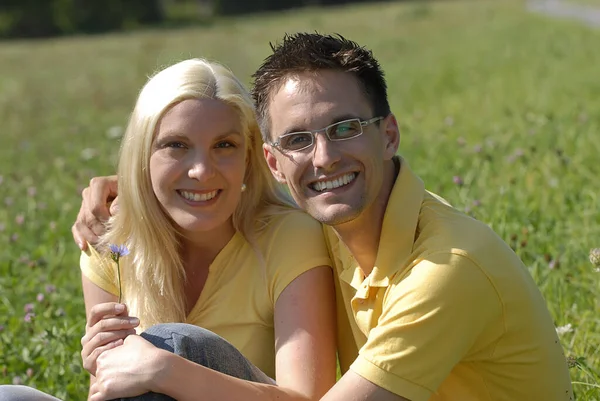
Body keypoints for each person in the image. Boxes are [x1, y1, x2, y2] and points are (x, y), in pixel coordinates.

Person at [71, 33, 574, 401]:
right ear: (272, 161)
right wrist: (124, 190)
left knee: (175, 345)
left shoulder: (447, 268)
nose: (324, 158)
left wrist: (161, 366)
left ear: (390, 135)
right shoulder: (335, 230)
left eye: (345, 127)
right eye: (297, 140)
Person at [0, 58, 337, 401]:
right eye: (176, 145)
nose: (202, 172)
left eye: (224, 146)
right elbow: (109, 392)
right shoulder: (111, 241)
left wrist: (166, 370)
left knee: (178, 342)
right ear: (142, 156)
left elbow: (307, 398)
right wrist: (103, 364)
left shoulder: (289, 236)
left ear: (249, 157)